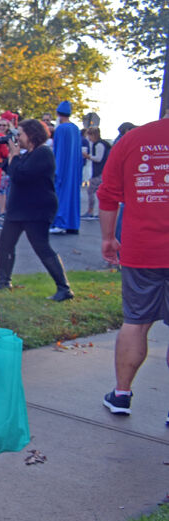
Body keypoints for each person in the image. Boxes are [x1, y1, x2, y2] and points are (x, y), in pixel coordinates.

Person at [97, 112, 169, 424]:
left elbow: (108, 195)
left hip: (142, 250)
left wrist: (108, 238)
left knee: (136, 321)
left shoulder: (133, 140)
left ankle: (122, 394)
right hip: (144, 250)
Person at [0, 120, 74, 301]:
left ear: (31, 135)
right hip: (19, 209)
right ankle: (4, 281)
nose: (17, 138)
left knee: (42, 247)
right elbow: (11, 170)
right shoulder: (29, 154)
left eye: (20, 134)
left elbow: (20, 176)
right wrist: (12, 155)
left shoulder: (43, 153)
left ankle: (64, 288)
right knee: (5, 244)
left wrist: (14, 155)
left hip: (36, 209)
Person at [50, 101, 82, 234]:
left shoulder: (61, 129)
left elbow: (58, 150)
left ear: (58, 114)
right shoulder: (75, 129)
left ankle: (60, 222)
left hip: (62, 168)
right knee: (72, 195)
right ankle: (72, 224)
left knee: (61, 194)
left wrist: (55, 168)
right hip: (73, 169)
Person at [82, 127, 110, 219]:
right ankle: (97, 212)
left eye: (89, 135)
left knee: (90, 191)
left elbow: (99, 158)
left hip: (99, 172)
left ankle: (91, 211)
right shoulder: (103, 144)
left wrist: (88, 156)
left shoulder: (98, 145)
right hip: (103, 171)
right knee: (99, 193)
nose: (88, 138)